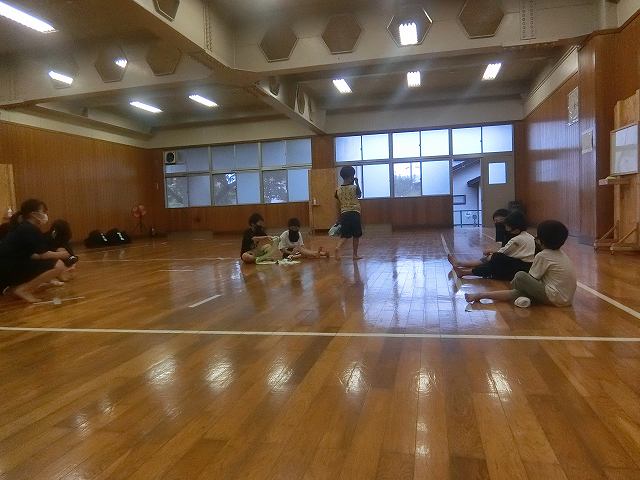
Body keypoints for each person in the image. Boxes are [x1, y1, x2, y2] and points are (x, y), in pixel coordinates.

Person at [465, 220, 576, 307]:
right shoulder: (561, 254)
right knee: (520, 291)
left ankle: (482, 295)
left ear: (540, 239)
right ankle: (481, 295)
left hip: (554, 297)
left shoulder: (543, 255)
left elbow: (528, 279)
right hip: (566, 300)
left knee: (520, 275)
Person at [0, 199, 71, 303]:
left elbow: (33, 255)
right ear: (33, 214)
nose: (45, 214)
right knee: (58, 265)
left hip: (6, 267)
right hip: (8, 268)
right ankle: (24, 290)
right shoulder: (29, 229)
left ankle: (17, 288)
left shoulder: (23, 227)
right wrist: (62, 254)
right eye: (43, 211)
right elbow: (43, 254)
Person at [448, 211, 535, 280]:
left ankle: (464, 271)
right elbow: (507, 251)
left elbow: (502, 253)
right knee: (494, 259)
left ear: (515, 229)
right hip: (525, 266)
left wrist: (491, 256)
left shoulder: (516, 239)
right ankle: (463, 268)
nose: (504, 227)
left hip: (520, 269)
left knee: (495, 259)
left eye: (507, 226)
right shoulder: (529, 236)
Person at [334, 166, 363, 260]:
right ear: (351, 176)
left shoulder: (338, 190)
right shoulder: (354, 187)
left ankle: (338, 247)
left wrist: (338, 218)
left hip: (344, 214)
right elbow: (359, 195)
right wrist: (357, 183)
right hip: (355, 213)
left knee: (345, 235)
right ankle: (355, 255)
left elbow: (338, 204)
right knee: (356, 235)